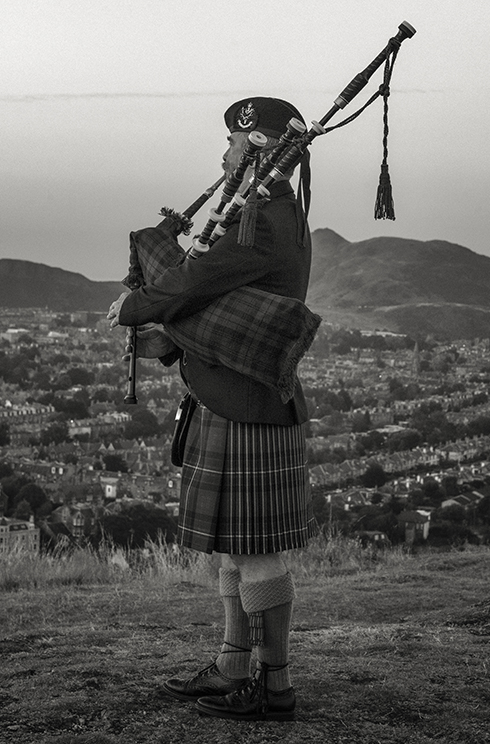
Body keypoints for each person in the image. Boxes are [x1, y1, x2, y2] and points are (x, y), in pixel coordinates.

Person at [108, 97, 317, 721]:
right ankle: (233, 666)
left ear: (257, 148)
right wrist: (171, 340)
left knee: (256, 553)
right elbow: (220, 301)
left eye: (232, 142)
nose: (223, 153)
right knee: (233, 549)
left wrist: (136, 304)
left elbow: (197, 281)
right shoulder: (260, 212)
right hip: (228, 398)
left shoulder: (264, 219)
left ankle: (274, 685)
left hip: (249, 406)